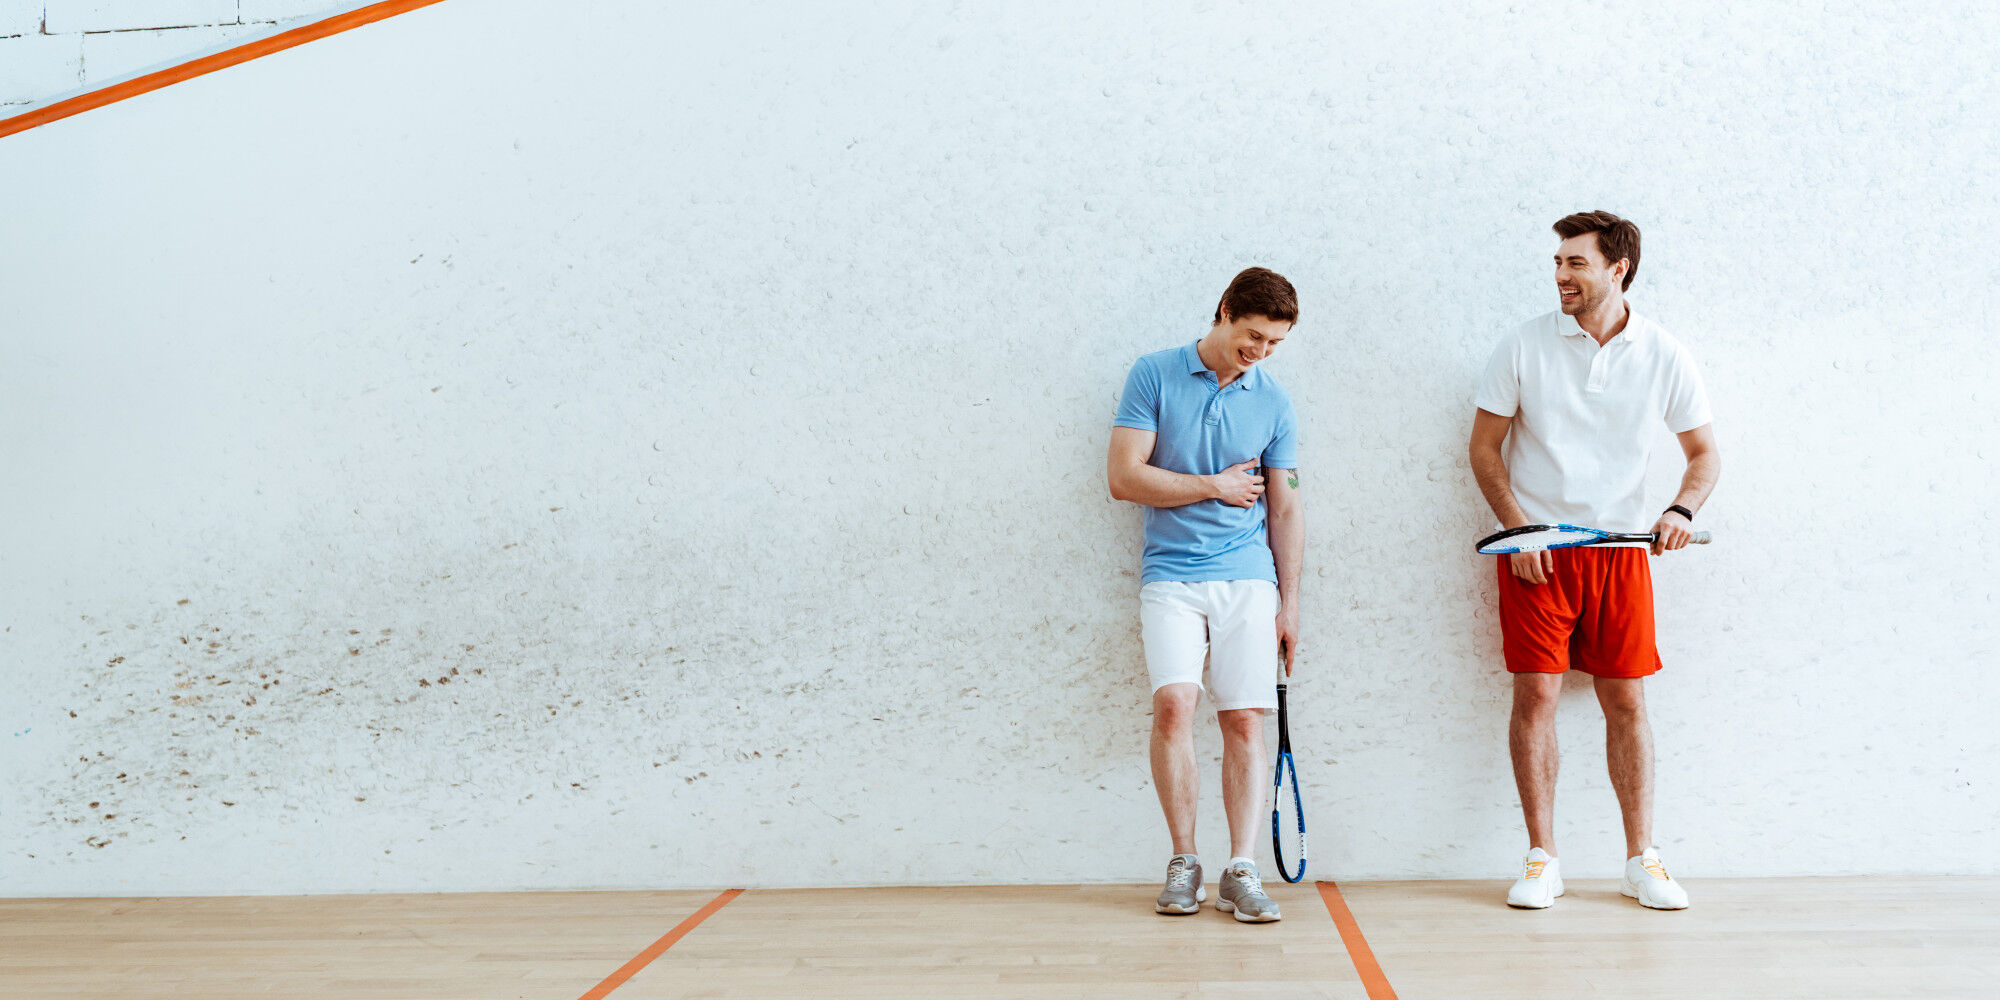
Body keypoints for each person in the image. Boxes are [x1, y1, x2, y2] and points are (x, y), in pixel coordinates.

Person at [1468, 211, 1720, 910]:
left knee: (1626, 700)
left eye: (1576, 263)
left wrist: (1679, 511)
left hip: (1620, 556)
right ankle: (1542, 858)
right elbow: (1484, 449)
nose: (1560, 275)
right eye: (1557, 262)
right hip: (1536, 551)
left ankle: (1643, 859)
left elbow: (1704, 455)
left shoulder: (1665, 353)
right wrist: (1517, 532)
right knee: (1537, 694)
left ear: (1619, 268)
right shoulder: (1522, 345)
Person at [1108, 267, 1304, 922]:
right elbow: (1123, 478)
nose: (1261, 353)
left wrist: (1290, 602)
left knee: (1243, 717)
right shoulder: (1153, 374)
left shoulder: (1273, 400)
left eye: (1274, 343)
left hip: (1249, 577)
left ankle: (1240, 868)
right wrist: (1212, 487)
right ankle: (1184, 862)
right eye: (1253, 336)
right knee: (1173, 706)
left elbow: (1287, 509)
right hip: (1170, 574)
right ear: (1224, 311)